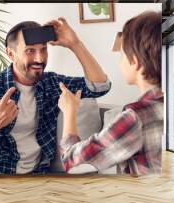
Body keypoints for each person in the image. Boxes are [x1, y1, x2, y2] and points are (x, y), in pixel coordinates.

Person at [0, 18, 111, 174]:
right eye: (30, 51)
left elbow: (99, 87)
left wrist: (75, 44)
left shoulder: (52, 84)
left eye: (43, 49)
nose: (39, 58)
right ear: (11, 54)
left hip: (35, 175)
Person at [58, 11, 163, 176]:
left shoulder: (136, 118)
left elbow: (72, 163)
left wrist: (70, 112)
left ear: (135, 62)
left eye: (122, 54)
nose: (120, 61)